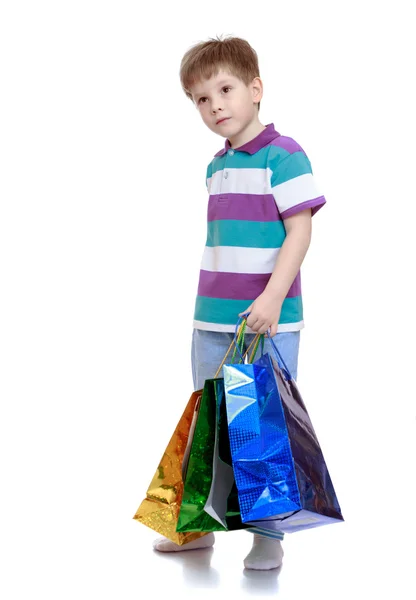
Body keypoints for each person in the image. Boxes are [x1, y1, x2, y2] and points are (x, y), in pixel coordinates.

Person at [152, 35, 326, 570]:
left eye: (225, 90)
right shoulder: (216, 165)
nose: (215, 106)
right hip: (211, 319)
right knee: (212, 421)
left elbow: (299, 232)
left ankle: (269, 535)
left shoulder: (284, 155)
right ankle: (198, 527)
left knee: (260, 425)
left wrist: (273, 299)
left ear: (255, 90)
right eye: (202, 99)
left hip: (265, 321)